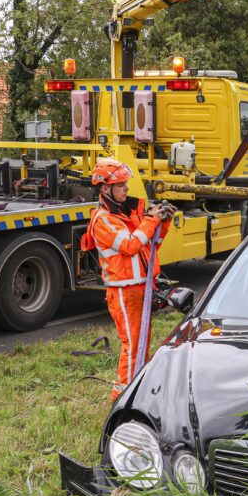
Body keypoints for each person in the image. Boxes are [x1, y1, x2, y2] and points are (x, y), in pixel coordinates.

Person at [81, 158, 175, 401]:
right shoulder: (103, 220)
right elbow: (130, 245)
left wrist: (163, 223)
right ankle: (120, 399)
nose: (126, 189)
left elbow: (150, 246)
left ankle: (136, 392)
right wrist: (151, 219)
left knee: (141, 344)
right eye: (121, 185)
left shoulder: (123, 215)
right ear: (105, 189)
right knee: (133, 345)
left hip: (140, 288)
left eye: (125, 184)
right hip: (123, 291)